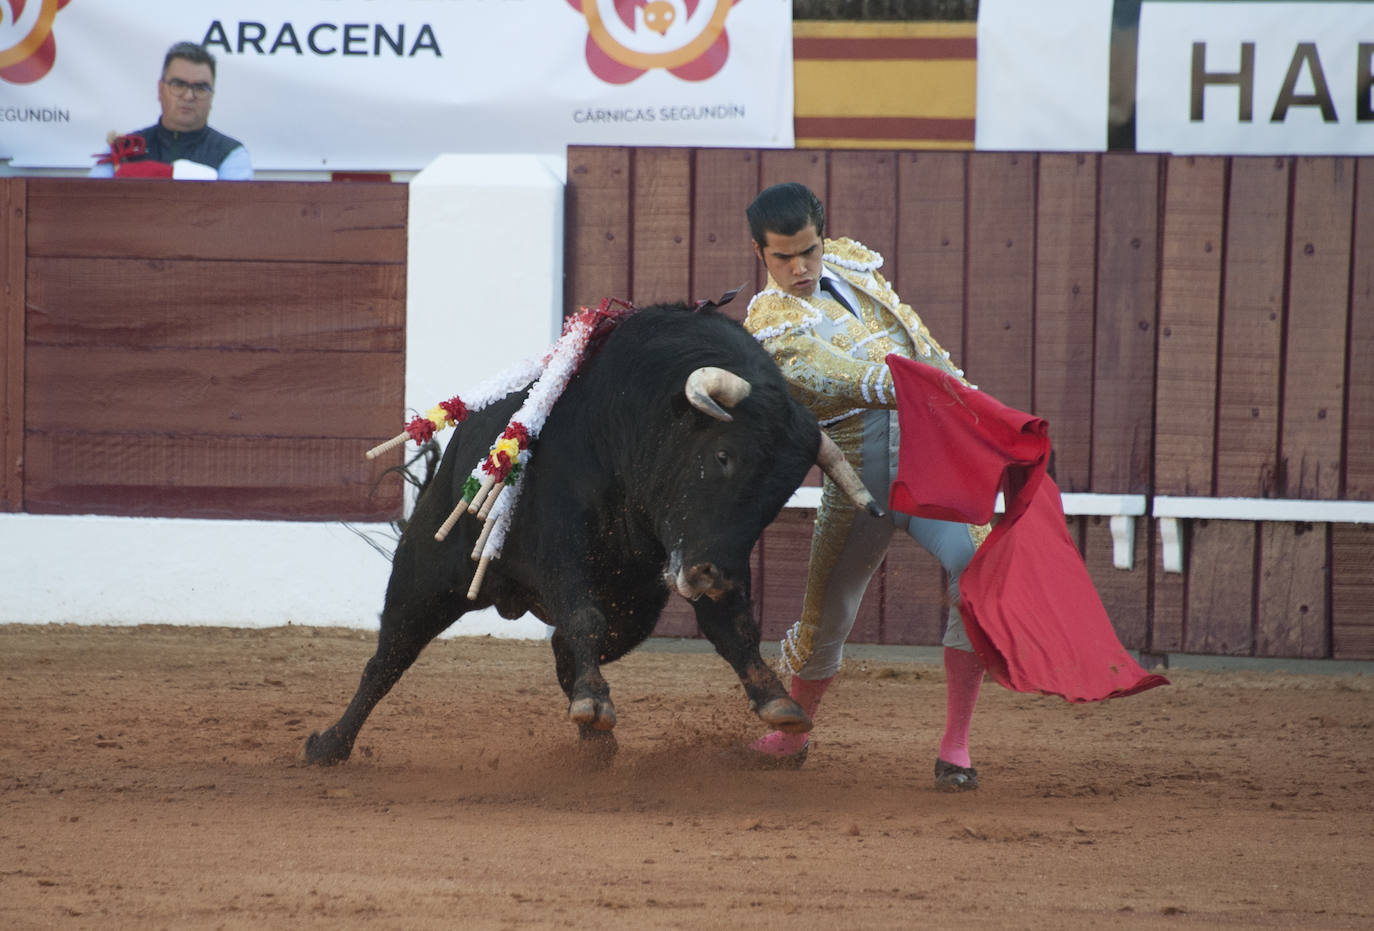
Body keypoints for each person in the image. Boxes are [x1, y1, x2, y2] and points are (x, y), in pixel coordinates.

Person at [742, 182, 985, 790]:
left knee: (979, 574)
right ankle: (791, 735)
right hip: (860, 487)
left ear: (823, 238)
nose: (799, 268)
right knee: (828, 615)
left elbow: (923, 345)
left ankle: (956, 745)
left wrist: (975, 409)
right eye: (782, 257)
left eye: (809, 251)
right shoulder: (769, 320)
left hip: (931, 473)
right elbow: (835, 375)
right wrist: (914, 385)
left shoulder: (856, 269)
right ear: (759, 253)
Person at [90, 42, 252, 180]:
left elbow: (235, 214)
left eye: (200, 88)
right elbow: (92, 207)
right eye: (179, 85)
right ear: (161, 90)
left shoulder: (231, 155)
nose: (189, 96)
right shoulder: (124, 149)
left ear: (212, 96)